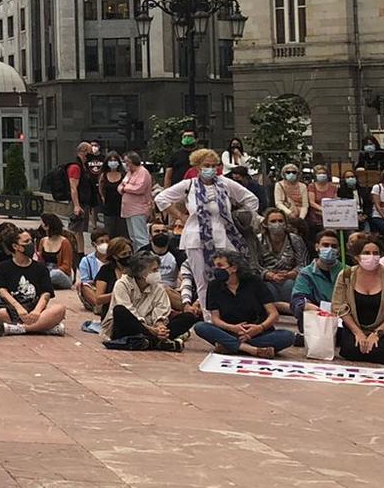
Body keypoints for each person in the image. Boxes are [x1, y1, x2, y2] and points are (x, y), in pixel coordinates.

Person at [152, 148, 260, 297]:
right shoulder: (188, 185)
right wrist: (180, 216)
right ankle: (207, 315)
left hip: (223, 237)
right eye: (207, 165)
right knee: (202, 281)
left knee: (228, 277)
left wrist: (238, 215)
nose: (211, 169)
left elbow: (251, 200)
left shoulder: (225, 183)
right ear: (197, 167)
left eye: (214, 165)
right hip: (196, 239)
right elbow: (160, 199)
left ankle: (226, 312)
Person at [191, 249, 296, 357]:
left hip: (257, 332)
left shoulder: (254, 281)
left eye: (220, 266)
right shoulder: (214, 286)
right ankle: (251, 349)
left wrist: (259, 328)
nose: (216, 270)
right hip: (229, 331)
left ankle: (230, 346)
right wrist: (232, 328)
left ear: (234, 268)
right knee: (200, 327)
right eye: (215, 266)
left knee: (288, 336)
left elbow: (273, 314)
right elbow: (215, 318)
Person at [104, 239, 198, 351]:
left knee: (189, 317)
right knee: (120, 310)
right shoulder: (122, 284)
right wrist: (150, 330)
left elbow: (161, 308)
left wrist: (160, 326)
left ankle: (151, 341)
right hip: (129, 328)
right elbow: (129, 311)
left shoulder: (157, 286)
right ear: (141, 271)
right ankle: (156, 341)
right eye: (154, 270)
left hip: (152, 327)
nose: (157, 273)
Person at [330, 235, 384, 365]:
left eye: (375, 253)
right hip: (355, 327)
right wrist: (358, 332)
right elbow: (339, 307)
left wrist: (376, 334)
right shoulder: (346, 276)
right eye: (366, 253)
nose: (371, 256)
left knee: (382, 354)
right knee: (351, 351)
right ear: (357, 256)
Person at [0, 227, 68, 335]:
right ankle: (45, 328)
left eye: (31, 240)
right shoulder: (2, 267)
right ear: (15, 246)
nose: (30, 244)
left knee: (60, 309)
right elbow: (2, 291)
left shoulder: (41, 268)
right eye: (26, 242)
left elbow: (46, 293)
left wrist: (36, 311)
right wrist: (18, 308)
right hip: (14, 309)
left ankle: (22, 328)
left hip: (36, 308)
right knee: (1, 314)